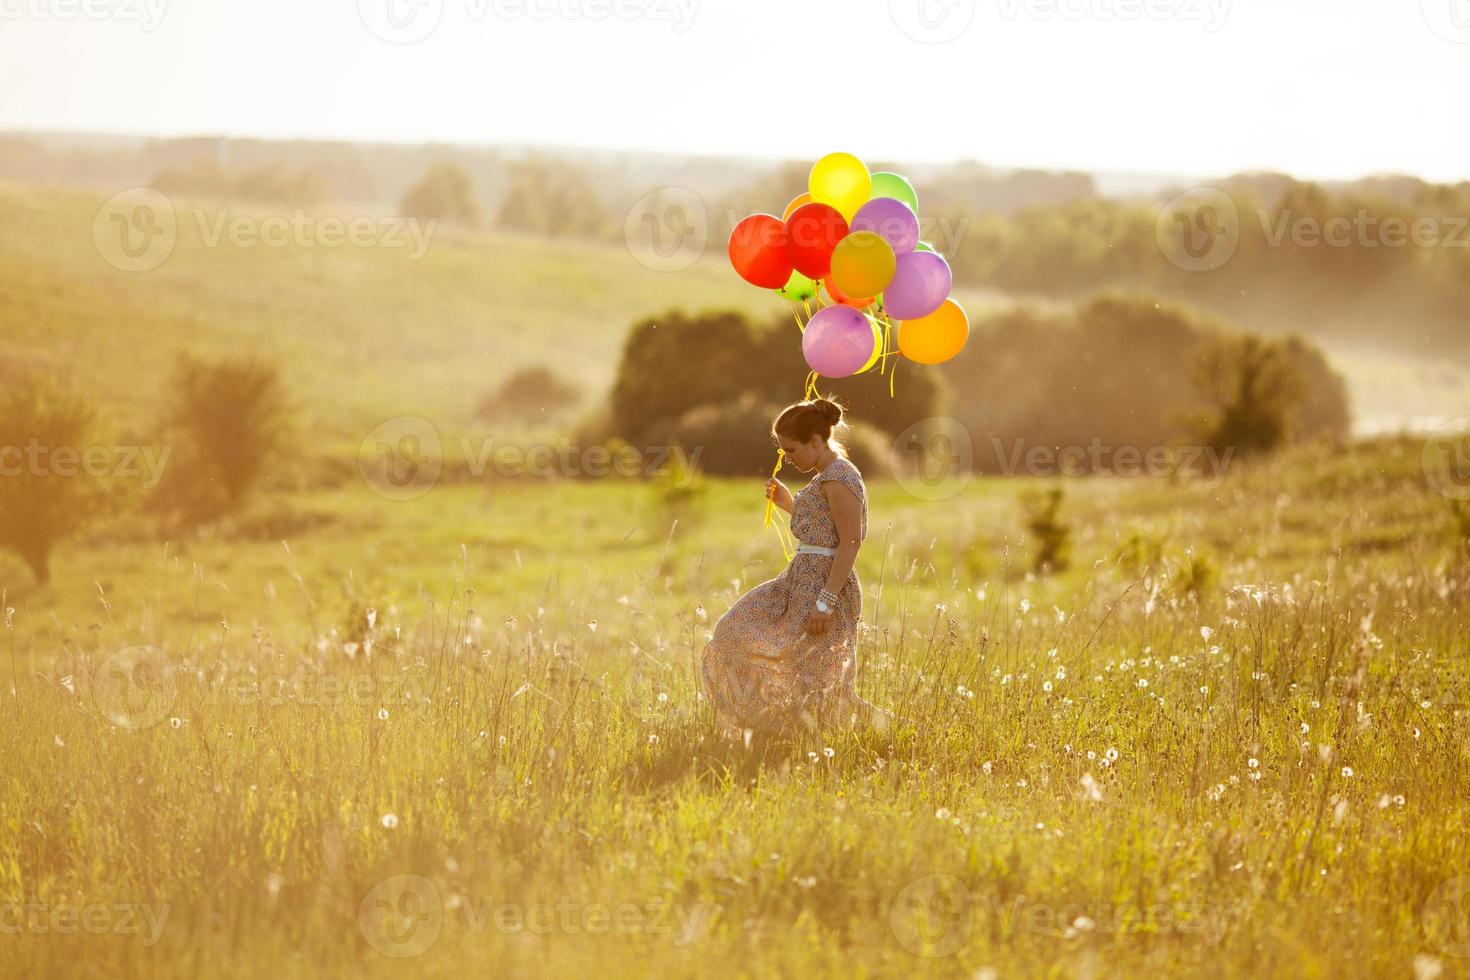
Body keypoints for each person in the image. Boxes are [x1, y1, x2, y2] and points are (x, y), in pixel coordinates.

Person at [700, 397, 888, 734]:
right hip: (799, 582)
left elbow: (850, 541)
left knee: (823, 681)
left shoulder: (839, 477)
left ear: (815, 441)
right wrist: (788, 503)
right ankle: (769, 727)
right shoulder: (826, 475)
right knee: (733, 631)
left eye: (791, 450)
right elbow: (821, 528)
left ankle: (887, 733)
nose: (787, 458)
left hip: (824, 587)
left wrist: (825, 601)